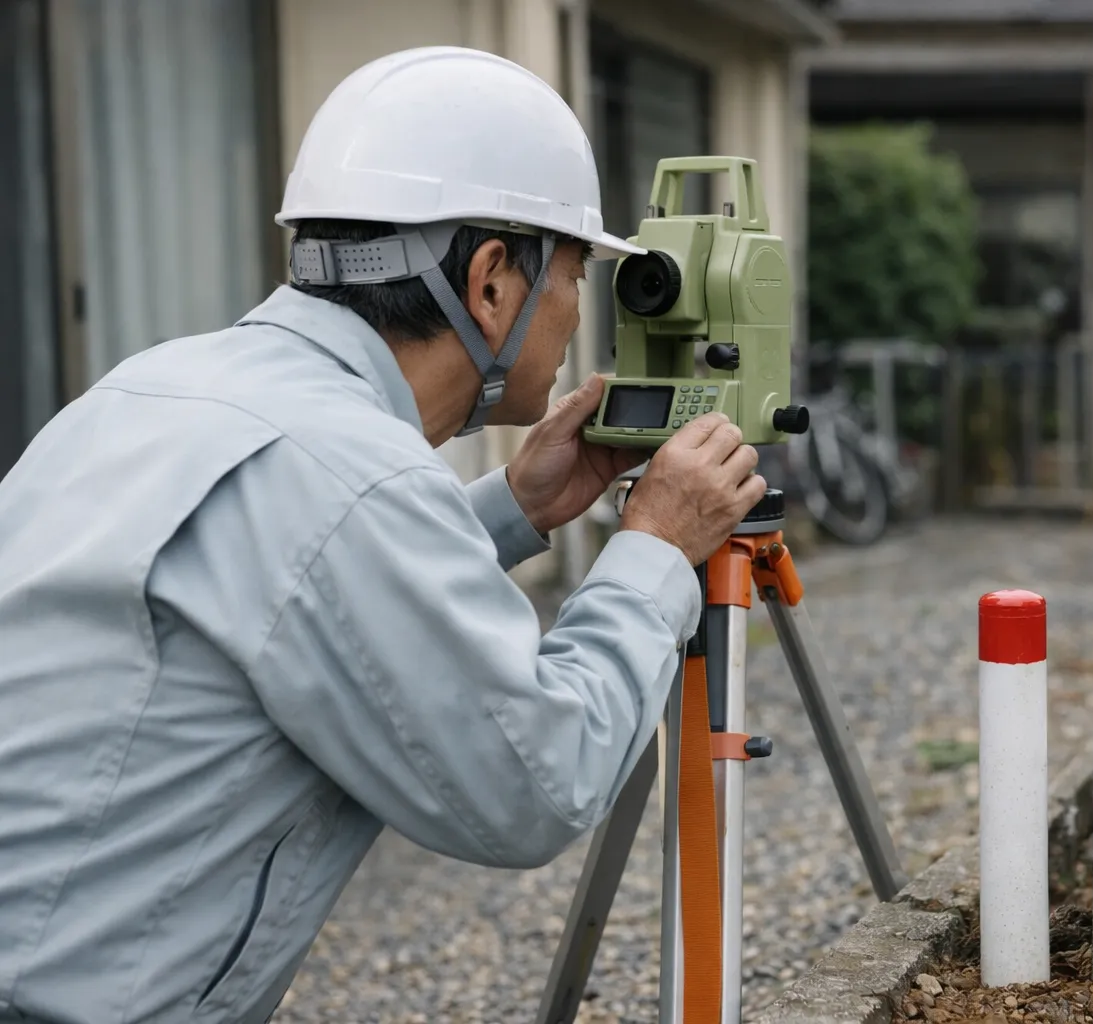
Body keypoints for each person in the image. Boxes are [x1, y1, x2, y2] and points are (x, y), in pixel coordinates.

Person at [0, 46, 765, 1024]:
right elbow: (535, 784)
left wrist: (514, 507)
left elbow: (284, 591)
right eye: (575, 273)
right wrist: (657, 551)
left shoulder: (146, 388)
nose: (579, 313)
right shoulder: (355, 479)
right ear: (494, 281)